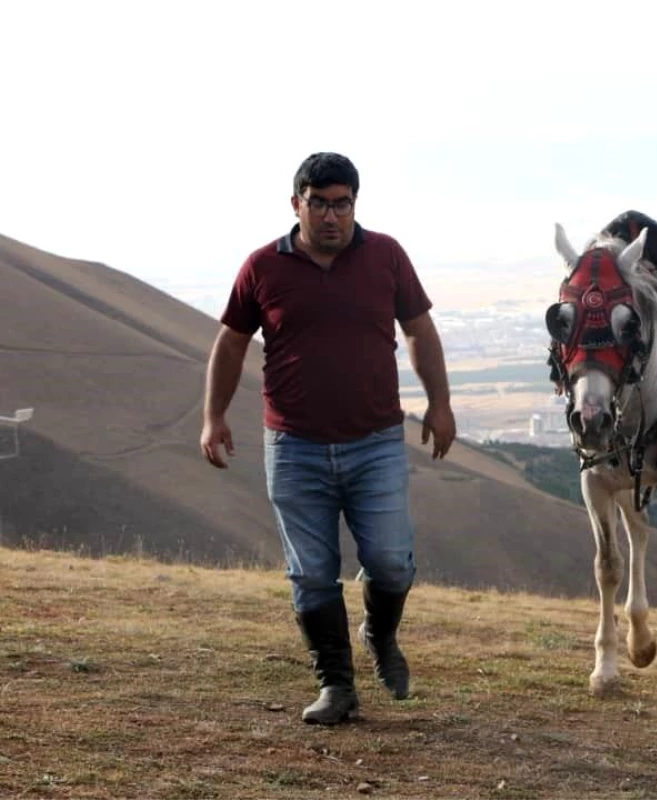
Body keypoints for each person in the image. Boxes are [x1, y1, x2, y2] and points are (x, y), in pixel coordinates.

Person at [199, 152, 456, 726]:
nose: (332, 216)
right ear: (297, 205)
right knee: (311, 572)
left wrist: (440, 403)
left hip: (375, 443)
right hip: (294, 448)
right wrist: (213, 416)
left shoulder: (385, 255)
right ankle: (336, 685)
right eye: (320, 204)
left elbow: (418, 330)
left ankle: (380, 635)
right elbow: (231, 343)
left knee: (390, 562)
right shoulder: (263, 266)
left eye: (343, 204)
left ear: (354, 205)